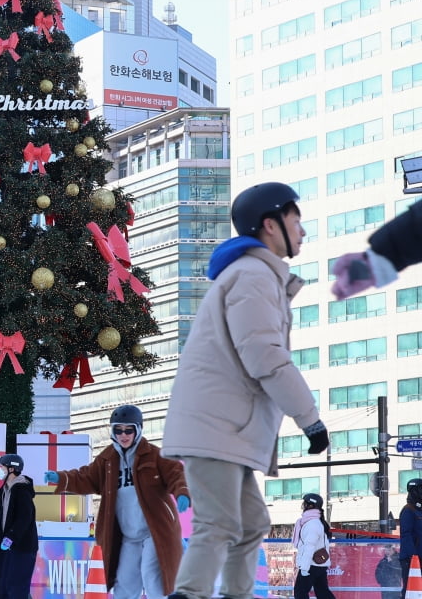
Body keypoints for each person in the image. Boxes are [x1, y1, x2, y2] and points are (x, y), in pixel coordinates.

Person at [163, 182, 327, 599]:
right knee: (218, 524)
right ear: (270, 225)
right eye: (296, 221)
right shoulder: (252, 276)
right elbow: (264, 357)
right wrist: (310, 419)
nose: (303, 231)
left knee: (251, 524)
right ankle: (190, 593)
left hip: (224, 429)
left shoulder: (256, 275)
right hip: (216, 428)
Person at [44, 405, 190, 599]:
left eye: (129, 430)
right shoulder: (107, 460)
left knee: (152, 576)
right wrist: (62, 478)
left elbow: (176, 473)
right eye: (118, 430)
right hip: (127, 536)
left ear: (138, 430)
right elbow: (87, 477)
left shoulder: (155, 455)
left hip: (154, 532)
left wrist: (183, 492)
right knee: (124, 583)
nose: (123, 435)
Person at [0, 454, 38, 599]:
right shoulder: (5, 490)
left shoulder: (21, 490)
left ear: (11, 469)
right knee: (5, 586)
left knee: (17, 587)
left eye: (2, 467)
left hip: (22, 547)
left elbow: (25, 517)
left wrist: (11, 537)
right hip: (9, 548)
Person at [292, 493, 334, 599]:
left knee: (300, 592)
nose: (303, 506)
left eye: (304, 503)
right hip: (318, 565)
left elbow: (309, 547)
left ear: (310, 506)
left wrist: (304, 568)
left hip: (311, 565)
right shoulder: (315, 522)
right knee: (323, 593)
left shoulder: (312, 524)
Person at [401, 478, 422, 599]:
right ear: (414, 491)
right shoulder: (409, 510)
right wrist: (413, 556)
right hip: (412, 558)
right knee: (410, 587)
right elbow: (406, 534)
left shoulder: (420, 511)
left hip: (420, 556)